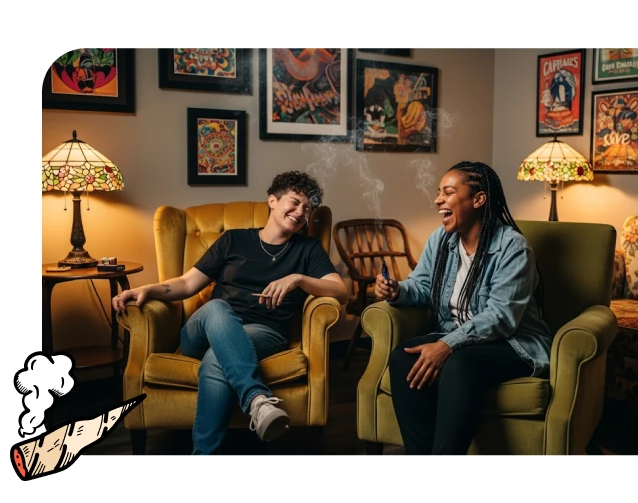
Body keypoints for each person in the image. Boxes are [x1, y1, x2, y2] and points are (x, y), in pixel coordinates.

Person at [112, 171, 348, 454]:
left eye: (307, 209)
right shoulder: (234, 240)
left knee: (216, 358)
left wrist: (298, 278)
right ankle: (257, 398)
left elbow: (341, 291)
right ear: (272, 201)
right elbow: (188, 283)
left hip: (265, 333)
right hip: (203, 331)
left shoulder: (307, 250)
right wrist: (149, 289)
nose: (300, 213)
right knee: (216, 307)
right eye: (295, 202)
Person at [374, 161, 552, 455]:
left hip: (513, 343)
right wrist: (396, 290)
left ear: (478, 199)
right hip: (459, 336)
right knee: (402, 357)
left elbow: (501, 319)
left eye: (448, 192)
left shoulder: (513, 249)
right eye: (438, 193)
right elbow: (421, 286)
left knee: (459, 363)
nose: (437, 200)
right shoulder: (441, 240)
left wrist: (446, 345)